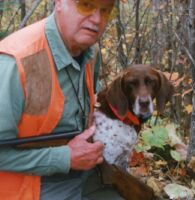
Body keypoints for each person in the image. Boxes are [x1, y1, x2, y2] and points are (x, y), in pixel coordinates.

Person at [0, 0, 124, 199]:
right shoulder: (16, 63)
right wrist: (65, 158)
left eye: (106, 10)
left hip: (83, 173)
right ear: (59, 3)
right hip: (27, 186)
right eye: (85, 5)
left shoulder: (91, 54)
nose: (97, 19)